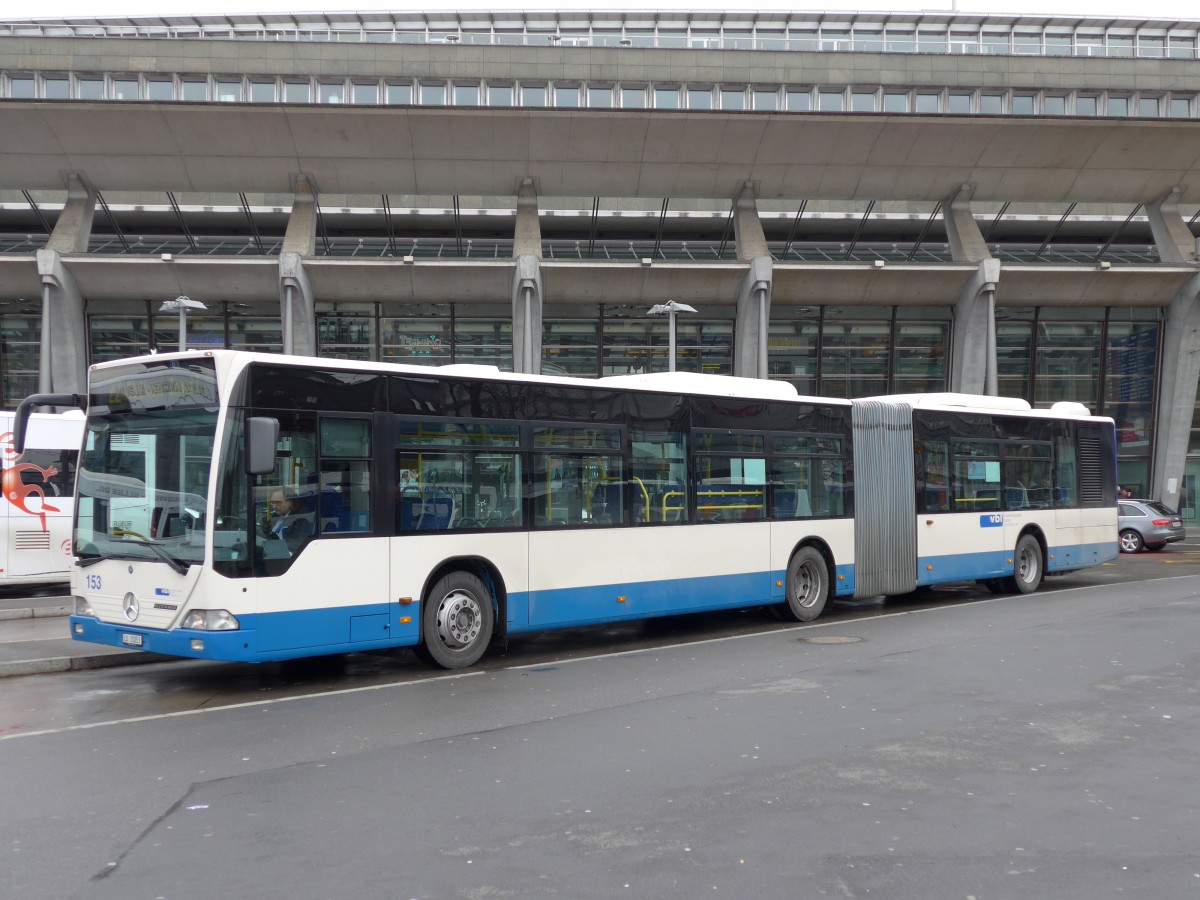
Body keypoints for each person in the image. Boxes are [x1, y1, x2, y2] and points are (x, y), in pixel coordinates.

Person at [262, 487, 314, 552]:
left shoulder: (302, 517)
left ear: (290, 502)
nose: (274, 506)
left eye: (278, 502)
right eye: (272, 502)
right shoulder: (275, 516)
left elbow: (300, 542)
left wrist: (275, 545)